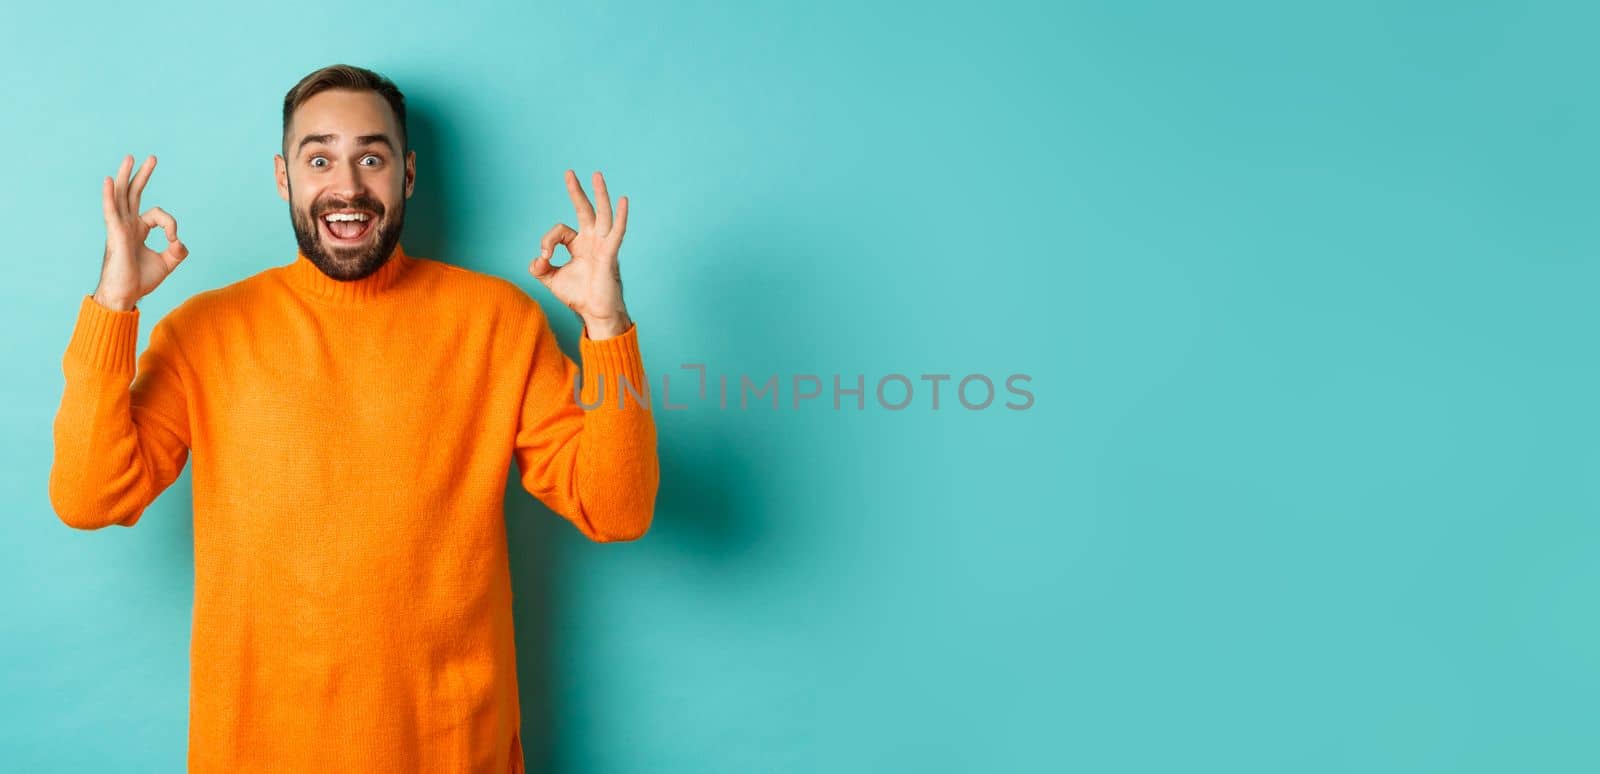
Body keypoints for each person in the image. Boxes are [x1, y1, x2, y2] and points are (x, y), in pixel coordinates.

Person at [47, 63, 659, 773]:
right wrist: (113, 304)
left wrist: (607, 328)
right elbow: (89, 497)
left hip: (454, 753)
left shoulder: (499, 323)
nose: (347, 186)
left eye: (372, 157)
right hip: (257, 754)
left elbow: (617, 509)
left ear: (407, 176)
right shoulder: (203, 333)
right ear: (284, 178)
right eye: (319, 158)